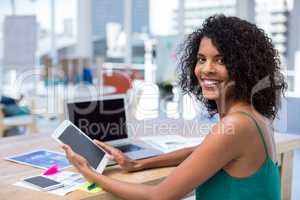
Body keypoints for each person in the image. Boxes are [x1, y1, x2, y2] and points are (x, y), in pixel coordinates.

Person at [62, 15, 286, 200]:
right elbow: (198, 152)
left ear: (244, 67)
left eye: (220, 60)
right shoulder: (252, 116)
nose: (206, 69)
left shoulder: (236, 125)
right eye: (201, 59)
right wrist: (137, 163)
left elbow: (159, 197)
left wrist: (89, 173)